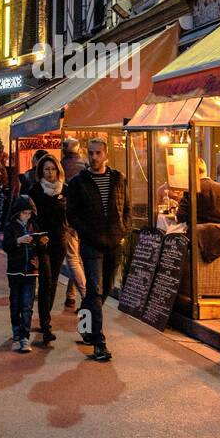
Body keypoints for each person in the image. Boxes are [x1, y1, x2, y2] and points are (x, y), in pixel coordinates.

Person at [65, 137, 131, 363]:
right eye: (91, 153)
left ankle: (85, 324)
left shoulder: (118, 179)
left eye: (98, 153)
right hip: (92, 244)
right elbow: (71, 214)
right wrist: (86, 233)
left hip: (114, 243)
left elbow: (127, 208)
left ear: (106, 155)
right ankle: (99, 342)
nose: (94, 158)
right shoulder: (78, 182)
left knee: (102, 291)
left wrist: (123, 231)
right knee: (95, 289)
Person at [28, 154, 72, 346]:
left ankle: (46, 318)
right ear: (41, 171)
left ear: (58, 170)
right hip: (42, 241)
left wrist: (70, 229)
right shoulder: (36, 191)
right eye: (46, 169)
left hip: (59, 240)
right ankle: (46, 325)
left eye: (53, 169)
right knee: (45, 280)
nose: (50, 172)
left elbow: (72, 213)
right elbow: (30, 217)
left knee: (53, 281)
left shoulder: (66, 190)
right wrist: (37, 235)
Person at [3, 195, 41, 353]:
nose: (27, 216)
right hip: (15, 270)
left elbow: (39, 249)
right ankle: (16, 329)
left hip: (31, 271)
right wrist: (18, 241)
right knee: (16, 302)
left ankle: (25, 337)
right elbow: (6, 246)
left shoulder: (34, 226)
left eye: (29, 213)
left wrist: (40, 242)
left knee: (27, 305)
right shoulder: (11, 227)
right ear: (17, 212)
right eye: (24, 213)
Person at [60, 137, 86, 308]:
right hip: (85, 219)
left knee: (72, 258)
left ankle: (86, 295)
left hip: (68, 217)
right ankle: (71, 294)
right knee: (78, 257)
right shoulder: (85, 167)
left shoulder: (61, 167)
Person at [177, 158, 220, 226]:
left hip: (197, 235)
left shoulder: (191, 190)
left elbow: (180, 216)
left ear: (192, 172)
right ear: (205, 170)